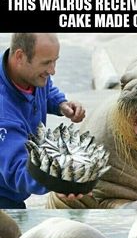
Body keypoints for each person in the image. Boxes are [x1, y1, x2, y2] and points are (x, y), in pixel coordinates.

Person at [0, 33, 86, 208]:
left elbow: (47, 89)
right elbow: (21, 171)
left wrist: (61, 104)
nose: (52, 70)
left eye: (55, 61)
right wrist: (61, 178)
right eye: (46, 63)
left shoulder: (30, 75)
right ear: (19, 56)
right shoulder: (3, 112)